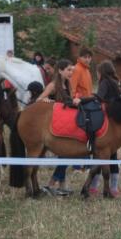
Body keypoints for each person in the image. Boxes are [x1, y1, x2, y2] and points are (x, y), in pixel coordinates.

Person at [94, 60, 121, 198]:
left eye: (97, 72)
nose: (97, 75)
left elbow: (99, 98)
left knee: (99, 154)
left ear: (101, 72)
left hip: (106, 122)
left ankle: (93, 187)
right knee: (112, 155)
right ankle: (114, 187)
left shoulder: (105, 82)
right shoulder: (118, 83)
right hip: (117, 124)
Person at [38, 59, 75, 195]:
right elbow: (38, 100)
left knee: (65, 155)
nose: (71, 72)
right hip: (55, 126)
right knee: (66, 155)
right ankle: (51, 184)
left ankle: (61, 185)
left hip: (67, 124)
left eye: (72, 70)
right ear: (60, 70)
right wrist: (47, 100)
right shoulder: (53, 85)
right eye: (68, 70)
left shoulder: (67, 85)